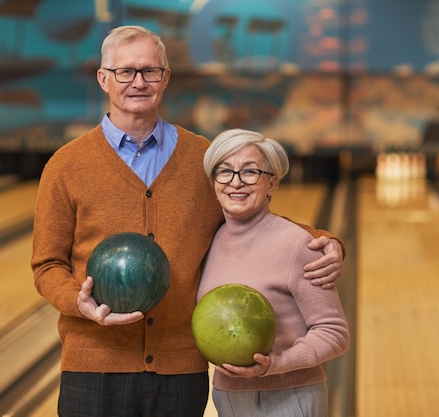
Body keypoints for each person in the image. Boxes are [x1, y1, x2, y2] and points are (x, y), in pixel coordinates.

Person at [31, 25, 344, 417]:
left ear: (166, 78)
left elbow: (250, 209)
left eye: (150, 71)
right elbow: (47, 264)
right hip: (94, 362)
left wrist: (324, 239)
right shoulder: (66, 165)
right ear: (103, 78)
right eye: (125, 71)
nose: (138, 82)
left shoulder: (204, 157)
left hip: (180, 369)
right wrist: (78, 303)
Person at [199, 128, 350, 417]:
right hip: (227, 396)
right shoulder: (210, 240)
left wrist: (276, 364)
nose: (236, 182)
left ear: (272, 182)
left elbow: (335, 333)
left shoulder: (298, 245)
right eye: (225, 171)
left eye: (250, 172)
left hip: (289, 397)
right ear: (213, 182)